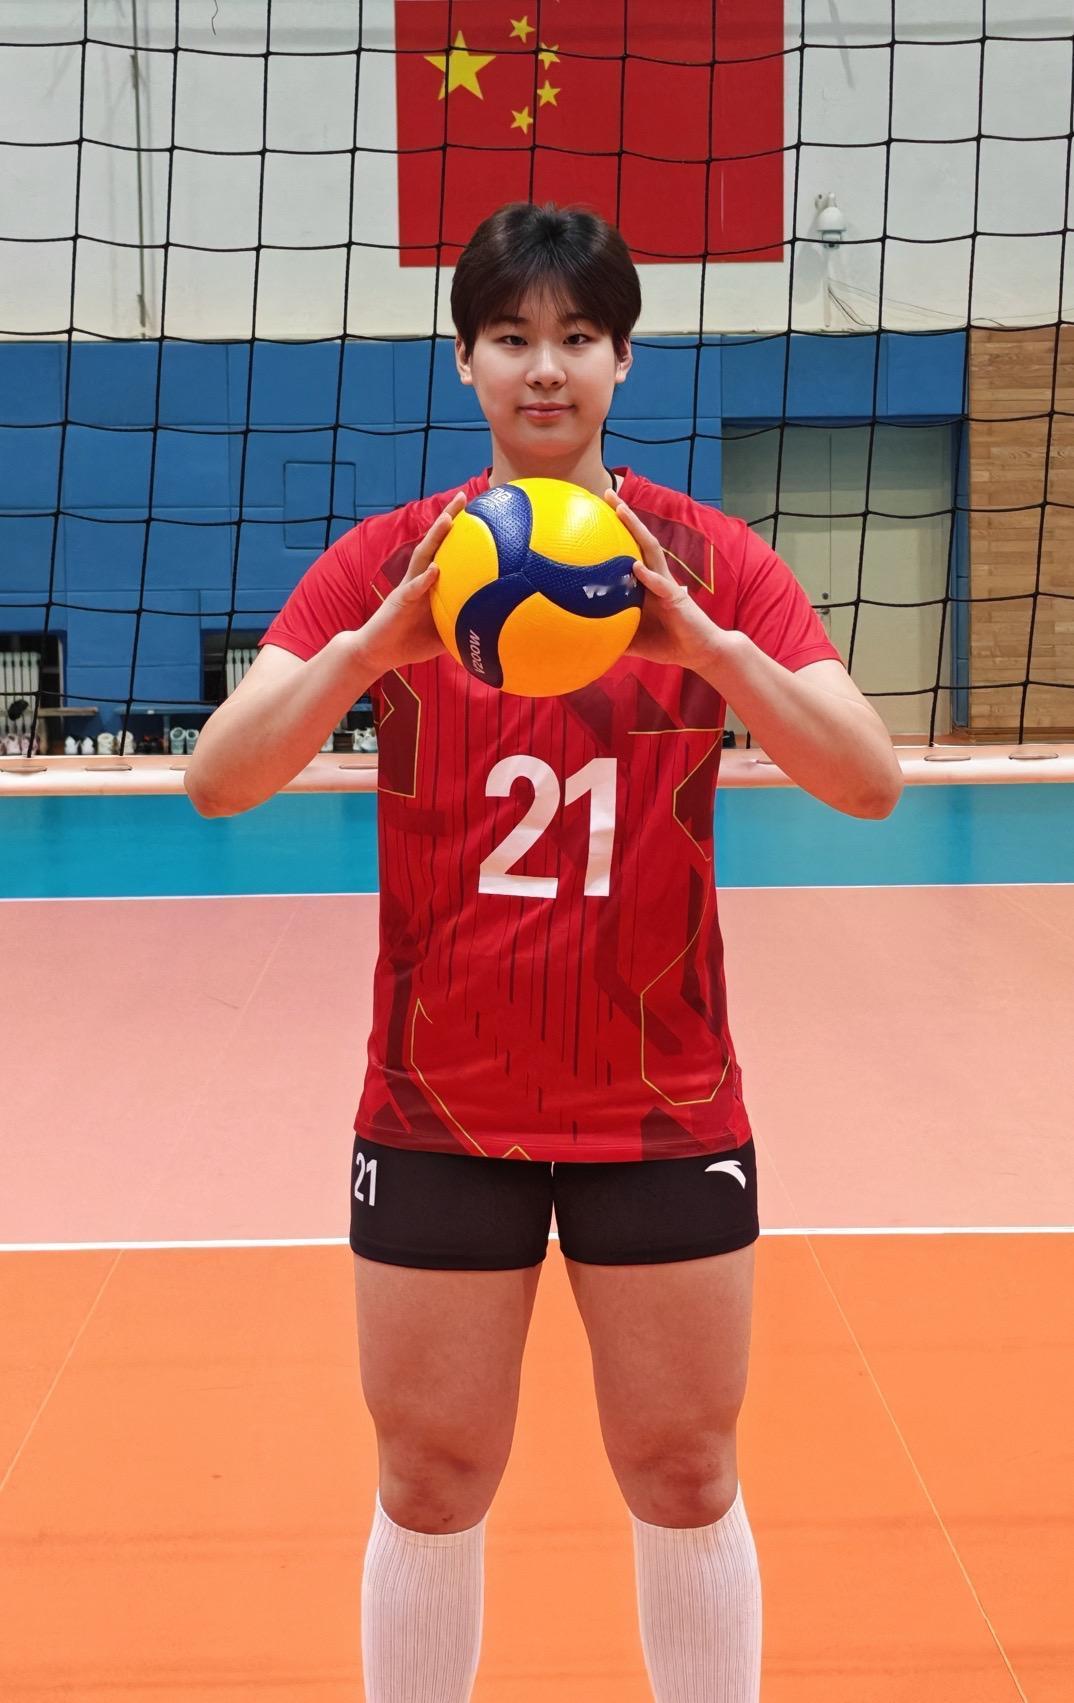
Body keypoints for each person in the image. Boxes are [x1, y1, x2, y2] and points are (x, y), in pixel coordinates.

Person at [186, 201, 903, 1703]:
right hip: (439, 1103)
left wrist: (711, 652)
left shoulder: (706, 561)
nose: (545, 368)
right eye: (511, 337)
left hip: (662, 1101)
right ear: (465, 361)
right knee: (431, 1478)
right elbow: (220, 778)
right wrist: (368, 654)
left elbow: (866, 778)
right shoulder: (395, 563)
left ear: (623, 358)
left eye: (578, 336)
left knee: (686, 1470)